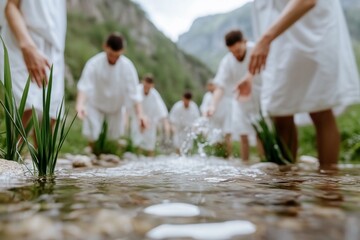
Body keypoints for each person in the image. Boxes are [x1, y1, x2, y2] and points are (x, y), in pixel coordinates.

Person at [238, 0, 360, 170]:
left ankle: (329, 186)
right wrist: (250, 75)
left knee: (320, 109)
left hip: (312, 33)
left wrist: (266, 39)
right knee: (280, 110)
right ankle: (287, 185)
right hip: (280, 42)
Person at [0, 0, 67, 126]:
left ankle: (41, 147)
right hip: (23, 42)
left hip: (54, 48)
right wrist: (28, 47)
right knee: (25, 107)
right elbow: (10, 6)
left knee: (50, 114)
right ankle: (14, 146)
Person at [76, 33, 146, 150]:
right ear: (105, 47)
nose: (113, 58)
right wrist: (80, 105)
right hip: (95, 105)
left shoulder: (128, 67)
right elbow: (84, 86)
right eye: (110, 55)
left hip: (116, 108)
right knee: (93, 136)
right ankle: (93, 155)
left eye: (117, 56)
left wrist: (140, 116)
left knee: (113, 140)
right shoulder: (93, 63)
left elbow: (135, 95)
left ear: (122, 51)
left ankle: (109, 160)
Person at [207, 30, 263, 162]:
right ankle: (245, 163)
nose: (236, 55)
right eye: (232, 52)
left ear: (245, 42)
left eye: (238, 50)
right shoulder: (227, 62)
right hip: (240, 100)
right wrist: (213, 106)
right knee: (243, 134)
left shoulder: (255, 49)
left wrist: (248, 79)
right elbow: (220, 86)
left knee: (260, 133)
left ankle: (264, 162)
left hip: (259, 96)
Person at [130, 74, 170, 156]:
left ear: (152, 85)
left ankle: (149, 160)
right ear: (143, 82)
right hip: (137, 118)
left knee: (150, 144)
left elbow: (161, 109)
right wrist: (141, 118)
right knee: (137, 141)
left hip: (151, 121)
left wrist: (165, 124)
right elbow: (137, 102)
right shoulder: (138, 89)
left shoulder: (155, 94)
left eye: (149, 83)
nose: (147, 85)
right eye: (146, 83)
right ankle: (137, 157)